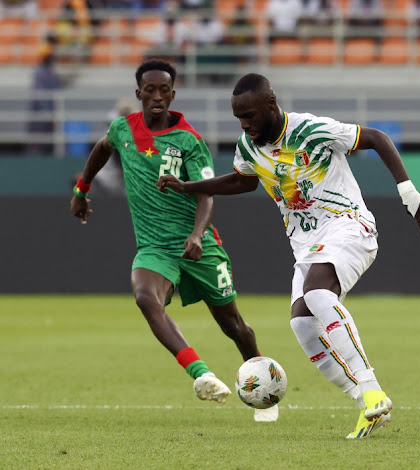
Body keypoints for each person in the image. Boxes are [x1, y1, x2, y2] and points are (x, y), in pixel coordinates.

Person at [157, 73, 420, 438]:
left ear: (271, 105)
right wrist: (189, 187)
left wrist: (407, 191)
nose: (245, 124)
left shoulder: (311, 129)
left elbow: (377, 138)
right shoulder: (249, 146)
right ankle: (366, 401)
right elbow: (244, 180)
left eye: (250, 116)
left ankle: (374, 390)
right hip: (307, 245)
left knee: (318, 294)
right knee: (302, 323)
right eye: (239, 118)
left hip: (348, 226)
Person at [69, 60, 275, 421]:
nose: (157, 96)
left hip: (198, 247)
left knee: (234, 326)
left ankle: (264, 391)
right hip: (155, 249)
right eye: (150, 90)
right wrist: (81, 190)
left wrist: (197, 234)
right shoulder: (123, 129)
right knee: (146, 298)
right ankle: (202, 375)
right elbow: (102, 148)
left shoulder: (189, 141)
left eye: (164, 90)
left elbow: (206, 194)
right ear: (139, 94)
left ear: (173, 94)